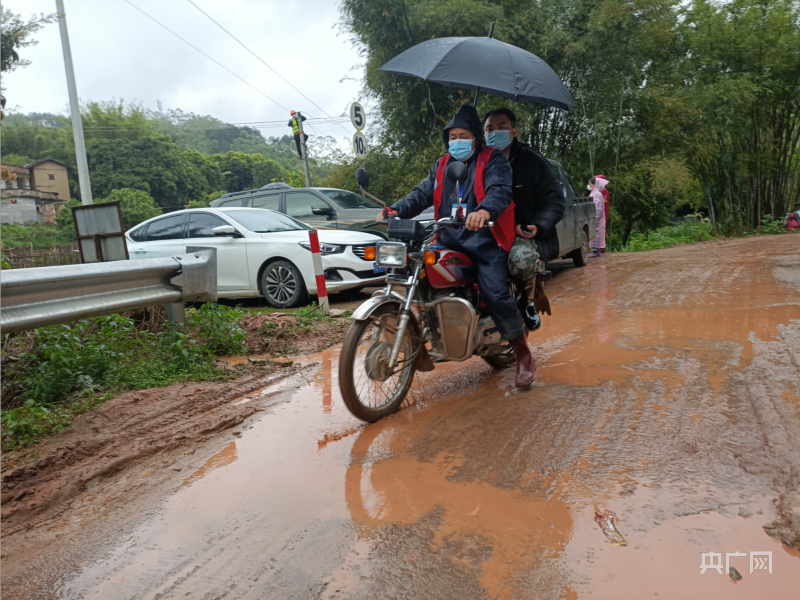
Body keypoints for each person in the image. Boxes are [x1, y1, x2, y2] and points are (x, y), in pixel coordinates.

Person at [380, 105, 535, 388]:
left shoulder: (493, 161)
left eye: (463, 135)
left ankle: (524, 355)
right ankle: (431, 333)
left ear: (476, 138)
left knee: (496, 293)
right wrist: (395, 210)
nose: (457, 140)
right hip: (448, 238)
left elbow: (499, 190)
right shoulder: (441, 165)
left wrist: (484, 211)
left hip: (486, 241)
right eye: (452, 136)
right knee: (423, 276)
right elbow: (421, 194)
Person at [483, 108, 565, 331]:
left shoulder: (532, 162)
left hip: (521, 233)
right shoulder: (477, 162)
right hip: (487, 231)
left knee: (520, 260)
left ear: (514, 131)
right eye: (489, 128)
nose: (495, 133)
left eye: (501, 128)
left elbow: (555, 200)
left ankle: (527, 299)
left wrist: (537, 226)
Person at [588, 176, 609, 257]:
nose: (589, 185)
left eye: (590, 183)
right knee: (595, 232)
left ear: (594, 184)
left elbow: (598, 207)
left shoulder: (597, 193)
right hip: (594, 216)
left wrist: (596, 217)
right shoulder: (594, 192)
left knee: (597, 233)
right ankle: (595, 250)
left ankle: (596, 251)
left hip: (596, 217)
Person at [594, 173, 610, 251]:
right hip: (599, 213)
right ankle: (598, 247)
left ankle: (601, 247)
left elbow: (603, 205)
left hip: (601, 213)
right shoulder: (598, 190)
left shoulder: (603, 191)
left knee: (601, 230)